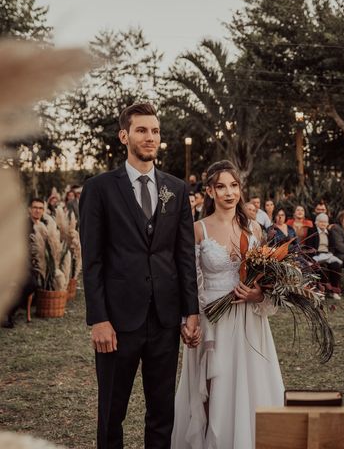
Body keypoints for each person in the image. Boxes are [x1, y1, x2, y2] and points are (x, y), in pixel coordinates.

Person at [80, 102, 200, 449]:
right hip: (117, 321)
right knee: (111, 411)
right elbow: (93, 261)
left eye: (156, 131)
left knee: (162, 412)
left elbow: (183, 255)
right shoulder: (99, 189)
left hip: (164, 319)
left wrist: (189, 310)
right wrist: (99, 319)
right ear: (124, 135)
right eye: (142, 130)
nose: (150, 137)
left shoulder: (175, 189)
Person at [172, 160, 284, 449]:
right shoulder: (198, 230)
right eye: (221, 186)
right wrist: (190, 319)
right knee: (213, 389)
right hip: (214, 321)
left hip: (249, 321)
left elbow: (266, 281)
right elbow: (188, 282)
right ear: (209, 191)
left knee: (250, 387)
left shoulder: (254, 229)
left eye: (234, 185)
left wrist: (258, 294)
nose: (229, 192)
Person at [1, 198, 46, 328]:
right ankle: (7, 313)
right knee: (30, 283)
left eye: (40, 208)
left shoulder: (44, 224)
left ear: (43, 211)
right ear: (30, 209)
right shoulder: (25, 225)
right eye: (35, 207)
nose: (37, 210)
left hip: (37, 263)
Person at [306, 213, 342, 299]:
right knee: (320, 267)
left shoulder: (329, 233)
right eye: (321, 222)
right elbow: (309, 246)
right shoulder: (312, 231)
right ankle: (321, 290)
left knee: (336, 266)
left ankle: (334, 291)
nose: (323, 224)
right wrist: (313, 256)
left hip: (327, 254)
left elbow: (333, 246)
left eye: (325, 222)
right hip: (316, 255)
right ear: (316, 222)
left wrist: (330, 254)